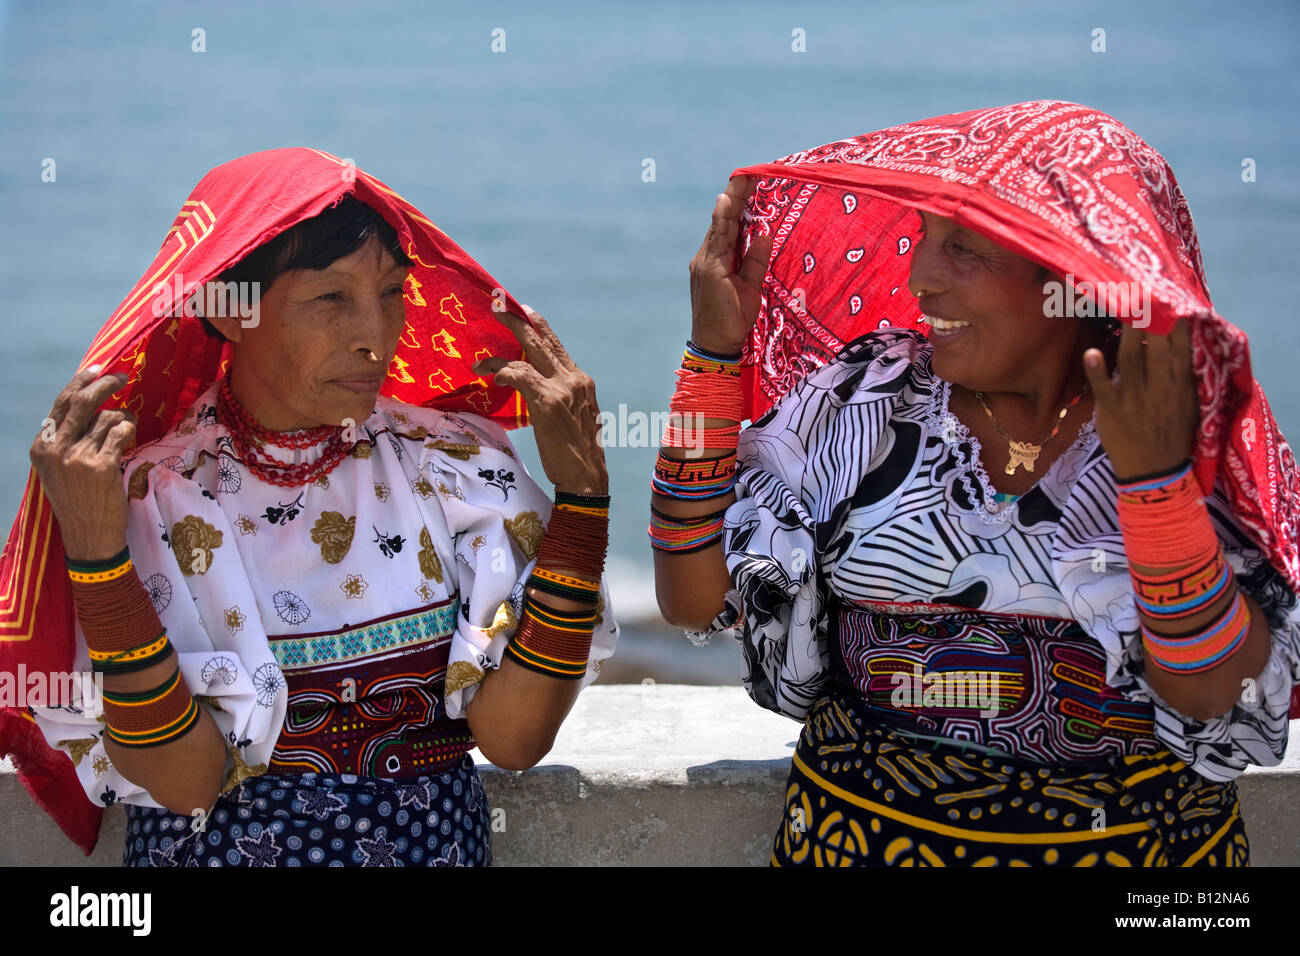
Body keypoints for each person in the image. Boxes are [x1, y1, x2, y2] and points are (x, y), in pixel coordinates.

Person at [652, 100, 1299, 867]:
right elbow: (692, 601)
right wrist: (713, 363)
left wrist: (1156, 488)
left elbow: (1214, 697)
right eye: (927, 237)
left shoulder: (1181, 426)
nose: (922, 278)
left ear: (1073, 272)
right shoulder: (863, 399)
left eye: (964, 250)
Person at [8, 148, 618, 866]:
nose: (375, 335)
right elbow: (187, 782)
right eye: (331, 298)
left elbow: (515, 738)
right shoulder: (150, 498)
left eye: (391, 292)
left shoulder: (451, 465)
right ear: (228, 312)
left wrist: (582, 499)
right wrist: (96, 556)